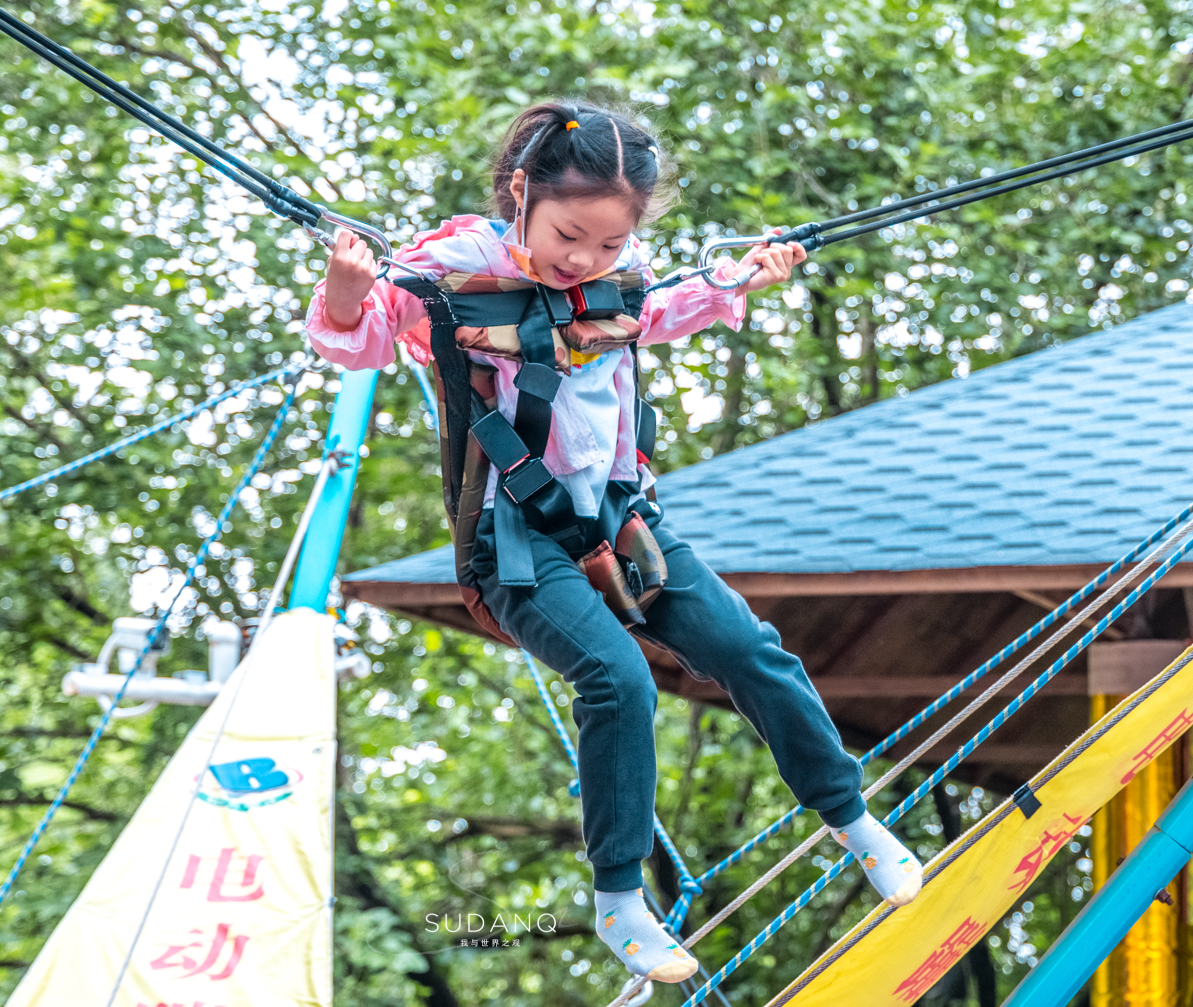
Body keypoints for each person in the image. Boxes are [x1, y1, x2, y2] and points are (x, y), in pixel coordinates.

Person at [307, 100, 921, 985]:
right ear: (521, 191)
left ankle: (850, 817)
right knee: (617, 676)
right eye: (569, 235)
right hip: (513, 536)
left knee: (750, 648)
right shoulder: (449, 265)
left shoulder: (621, 271)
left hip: (619, 517)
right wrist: (346, 284)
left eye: (607, 244)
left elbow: (664, 308)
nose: (585, 260)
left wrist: (744, 276)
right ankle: (619, 897)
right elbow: (355, 339)